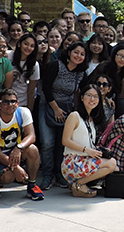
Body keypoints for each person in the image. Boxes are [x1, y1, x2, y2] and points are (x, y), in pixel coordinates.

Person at [37, 41, 87, 189]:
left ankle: (60, 174)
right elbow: (46, 87)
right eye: (76, 52)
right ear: (69, 52)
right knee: (47, 143)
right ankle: (47, 175)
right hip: (48, 105)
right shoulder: (56, 65)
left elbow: (84, 91)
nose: (78, 56)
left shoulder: (81, 73)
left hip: (67, 109)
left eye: (82, 54)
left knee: (61, 144)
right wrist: (55, 108)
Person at [0, 89, 44, 201]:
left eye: (13, 101)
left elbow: (31, 136)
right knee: (8, 177)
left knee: (32, 149)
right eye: (6, 102)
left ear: (18, 103)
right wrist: (15, 168)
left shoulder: (23, 112)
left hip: (16, 151)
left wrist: (19, 148)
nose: (10, 105)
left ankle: (32, 185)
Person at [61, 84, 117, 197]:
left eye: (96, 96)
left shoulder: (90, 119)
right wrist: (87, 150)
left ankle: (78, 184)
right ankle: (79, 184)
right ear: (82, 98)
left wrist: (95, 150)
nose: (92, 99)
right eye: (89, 95)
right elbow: (65, 141)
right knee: (111, 164)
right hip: (72, 162)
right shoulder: (74, 116)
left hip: (84, 159)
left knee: (115, 167)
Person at [10, 32, 41, 112]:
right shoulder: (8, 56)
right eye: (26, 44)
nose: (28, 48)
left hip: (22, 103)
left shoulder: (34, 65)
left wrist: (30, 110)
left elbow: (31, 91)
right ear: (19, 44)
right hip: (6, 100)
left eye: (32, 46)